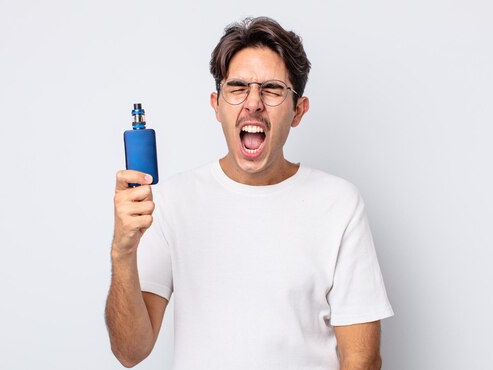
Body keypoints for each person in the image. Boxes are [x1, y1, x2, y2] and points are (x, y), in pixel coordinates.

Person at [105, 16, 394, 370]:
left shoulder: (339, 204)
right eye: (238, 87)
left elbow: (362, 359)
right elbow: (130, 351)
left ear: (298, 111)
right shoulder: (171, 201)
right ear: (217, 105)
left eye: (272, 89)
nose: (253, 102)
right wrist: (123, 251)